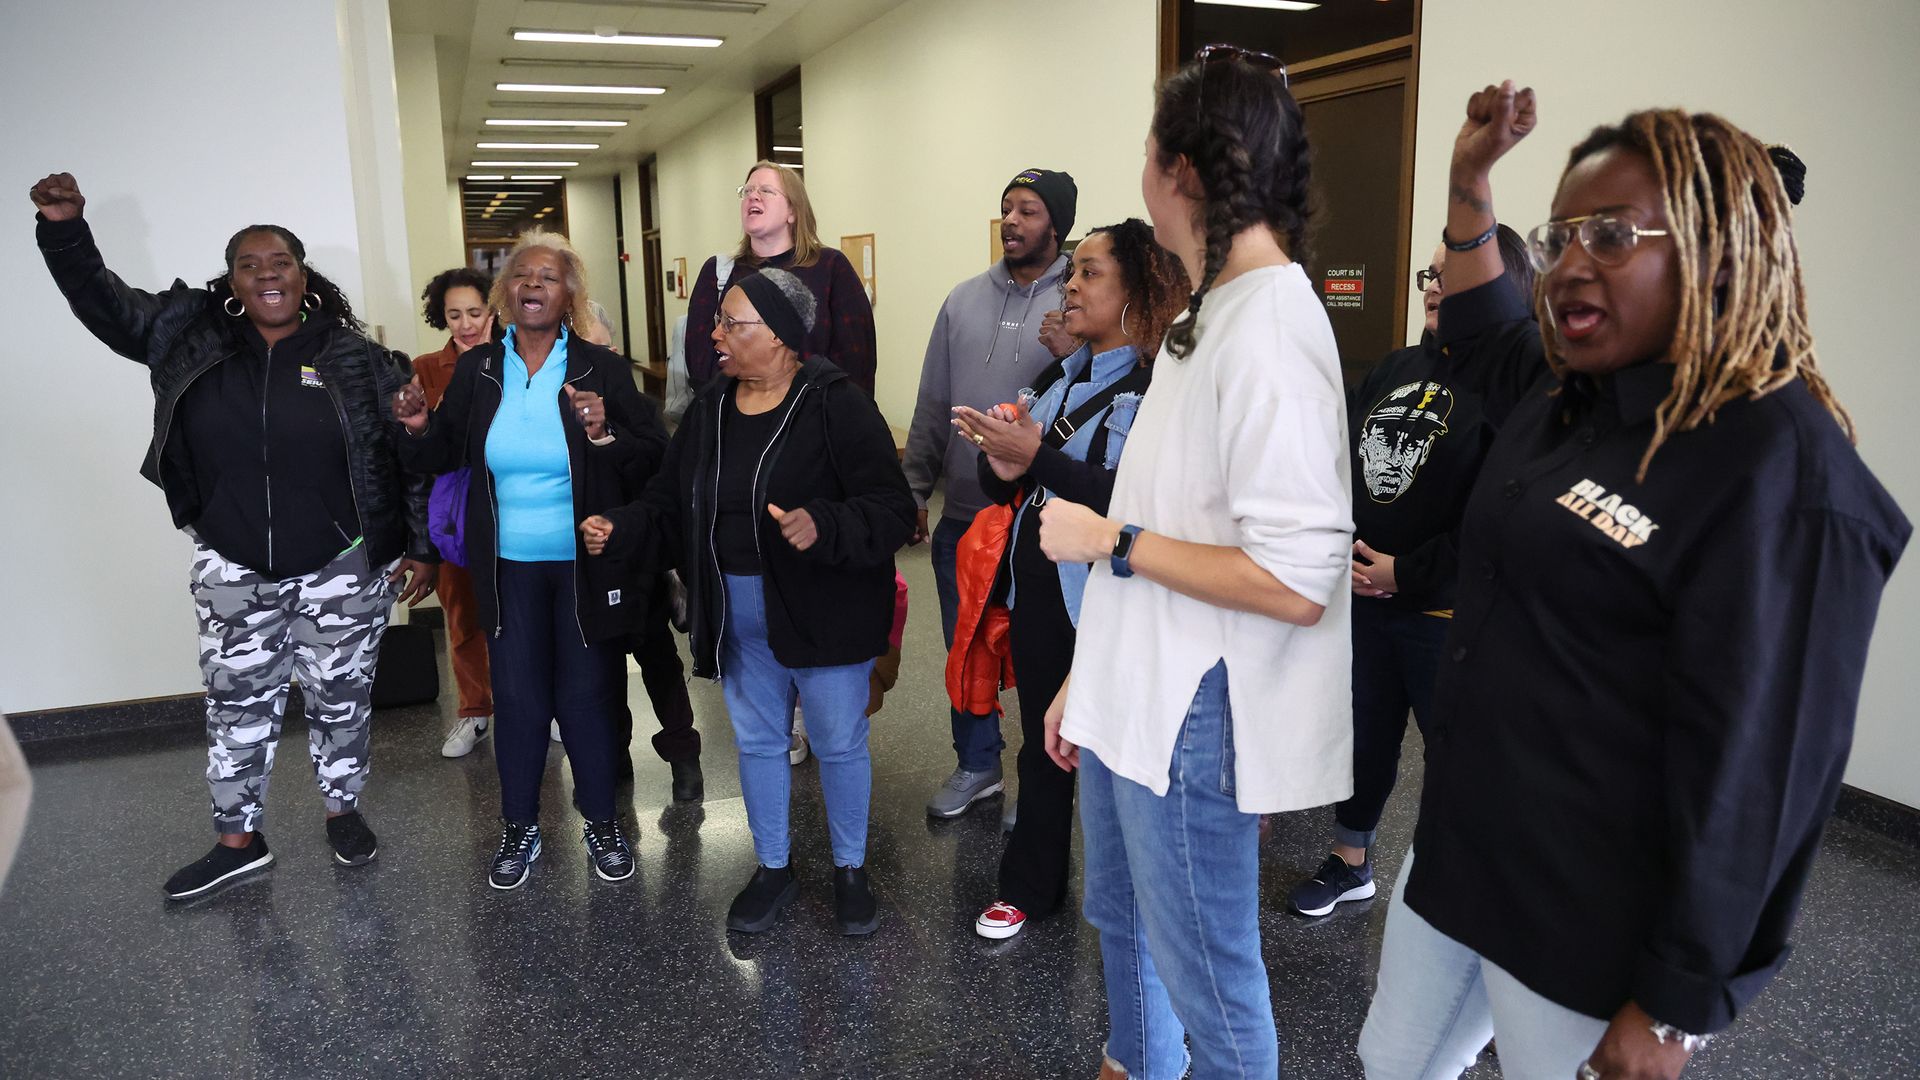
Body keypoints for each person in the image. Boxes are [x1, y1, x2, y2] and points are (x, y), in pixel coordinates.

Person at [1357, 84, 1909, 1080]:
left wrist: (1672, 1009)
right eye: (1561, 234)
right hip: (1461, 851)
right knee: (1392, 1062)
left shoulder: (1782, 477)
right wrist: (1468, 178)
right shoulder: (1575, 392)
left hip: (1591, 924)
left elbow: (1764, 782)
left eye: (1612, 236)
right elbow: (1481, 321)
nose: (1571, 262)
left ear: (1718, 254)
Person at [1034, 50, 1353, 1079]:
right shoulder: (1207, 314)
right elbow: (1166, 503)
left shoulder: (1272, 328)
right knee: (1123, 929)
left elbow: (1297, 584)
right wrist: (1091, 674)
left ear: (1183, 172)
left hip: (1196, 713)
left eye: (1146, 152)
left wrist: (1106, 542)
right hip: (1136, 685)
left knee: (1212, 980)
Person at [31, 172, 437, 901]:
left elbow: (402, 458)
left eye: (278, 261)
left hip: (341, 568)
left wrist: (421, 544)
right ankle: (237, 840)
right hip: (233, 564)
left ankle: (343, 811)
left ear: (303, 275)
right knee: (236, 705)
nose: (265, 274)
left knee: (341, 699)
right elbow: (107, 306)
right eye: (248, 264)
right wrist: (66, 231)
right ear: (232, 282)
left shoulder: (357, 358)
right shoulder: (190, 338)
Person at [580, 267, 915, 936]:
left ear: (781, 335)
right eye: (719, 321)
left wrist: (823, 523)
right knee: (759, 744)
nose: (715, 334)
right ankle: (773, 868)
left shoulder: (835, 403)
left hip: (826, 607)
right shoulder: (712, 407)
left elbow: (892, 508)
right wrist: (625, 526)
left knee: (838, 742)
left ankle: (851, 870)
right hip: (735, 610)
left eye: (732, 322)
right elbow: (671, 501)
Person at [392, 230, 668, 891]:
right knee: (516, 700)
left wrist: (603, 434)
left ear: (569, 292)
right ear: (504, 294)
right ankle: (520, 827)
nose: (534, 284)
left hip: (584, 566)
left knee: (587, 698)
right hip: (505, 568)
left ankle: (601, 822)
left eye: (548, 275)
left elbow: (654, 453)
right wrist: (416, 428)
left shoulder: (600, 367)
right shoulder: (481, 369)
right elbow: (442, 457)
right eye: (521, 276)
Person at [1286, 227, 1540, 917]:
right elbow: (1342, 469)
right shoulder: (1395, 367)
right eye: (1428, 276)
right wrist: (1346, 553)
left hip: (1447, 614)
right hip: (1367, 602)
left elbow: (1500, 517)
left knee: (1463, 765)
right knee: (1363, 739)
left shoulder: (1511, 388)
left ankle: (1479, 896)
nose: (1433, 288)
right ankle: (1350, 860)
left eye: (1449, 277)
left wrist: (1409, 572)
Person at [949, 219, 1189, 940]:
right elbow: (1008, 491)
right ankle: (1030, 887)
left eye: (1089, 273)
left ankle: (1143, 911)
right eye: (1072, 272)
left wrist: (1035, 457)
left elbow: (1132, 502)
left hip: (1108, 597)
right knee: (1041, 744)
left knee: (1116, 754)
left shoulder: (1155, 388)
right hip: (1039, 593)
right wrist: (999, 454)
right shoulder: (1061, 373)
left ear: (1136, 290)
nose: (1071, 286)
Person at [904, 167, 1078, 820]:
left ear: (1054, 225)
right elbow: (931, 401)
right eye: (1007, 208)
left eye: (1028, 210)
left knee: (1036, 656)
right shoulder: (963, 299)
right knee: (965, 649)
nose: (1012, 221)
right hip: (965, 520)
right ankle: (977, 764)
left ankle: (1040, 773)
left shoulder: (1081, 297)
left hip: (1041, 522)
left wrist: (1070, 350)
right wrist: (914, 490)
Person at [579, 300, 704, 801]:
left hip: (640, 553)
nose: (602, 361)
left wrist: (608, 437)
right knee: (603, 664)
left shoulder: (632, 403)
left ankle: (684, 757)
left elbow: (658, 461)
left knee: (658, 659)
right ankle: (616, 755)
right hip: (586, 553)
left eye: (607, 348)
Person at [683, 161, 875, 394]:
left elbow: (856, 361)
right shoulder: (718, 272)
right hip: (736, 419)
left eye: (766, 190)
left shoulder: (831, 267)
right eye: (747, 191)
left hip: (814, 418)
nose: (753, 196)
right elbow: (700, 359)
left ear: (793, 211)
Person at [413, 267, 500, 759]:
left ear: (492, 311)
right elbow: (421, 447)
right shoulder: (426, 368)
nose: (466, 324)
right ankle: (474, 712)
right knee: (463, 616)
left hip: (512, 507)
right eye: (454, 314)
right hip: (452, 513)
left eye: (474, 311)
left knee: (523, 613)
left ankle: (542, 704)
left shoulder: (516, 357)